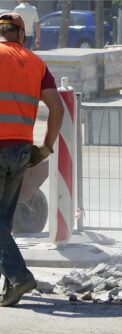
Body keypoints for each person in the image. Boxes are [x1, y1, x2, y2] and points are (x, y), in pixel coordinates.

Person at [0, 12, 64, 306]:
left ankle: (18, 276)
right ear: (21, 35)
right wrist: (46, 146)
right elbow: (57, 108)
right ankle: (8, 285)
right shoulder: (37, 63)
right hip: (22, 150)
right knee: (3, 221)